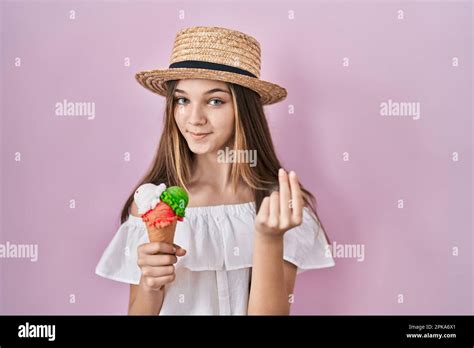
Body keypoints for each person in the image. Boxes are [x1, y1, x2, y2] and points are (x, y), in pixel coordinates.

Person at [95, 26, 335, 315]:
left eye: (215, 101)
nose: (194, 118)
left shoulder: (274, 205)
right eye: (182, 100)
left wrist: (269, 239)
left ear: (244, 110)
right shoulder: (151, 203)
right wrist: (149, 285)